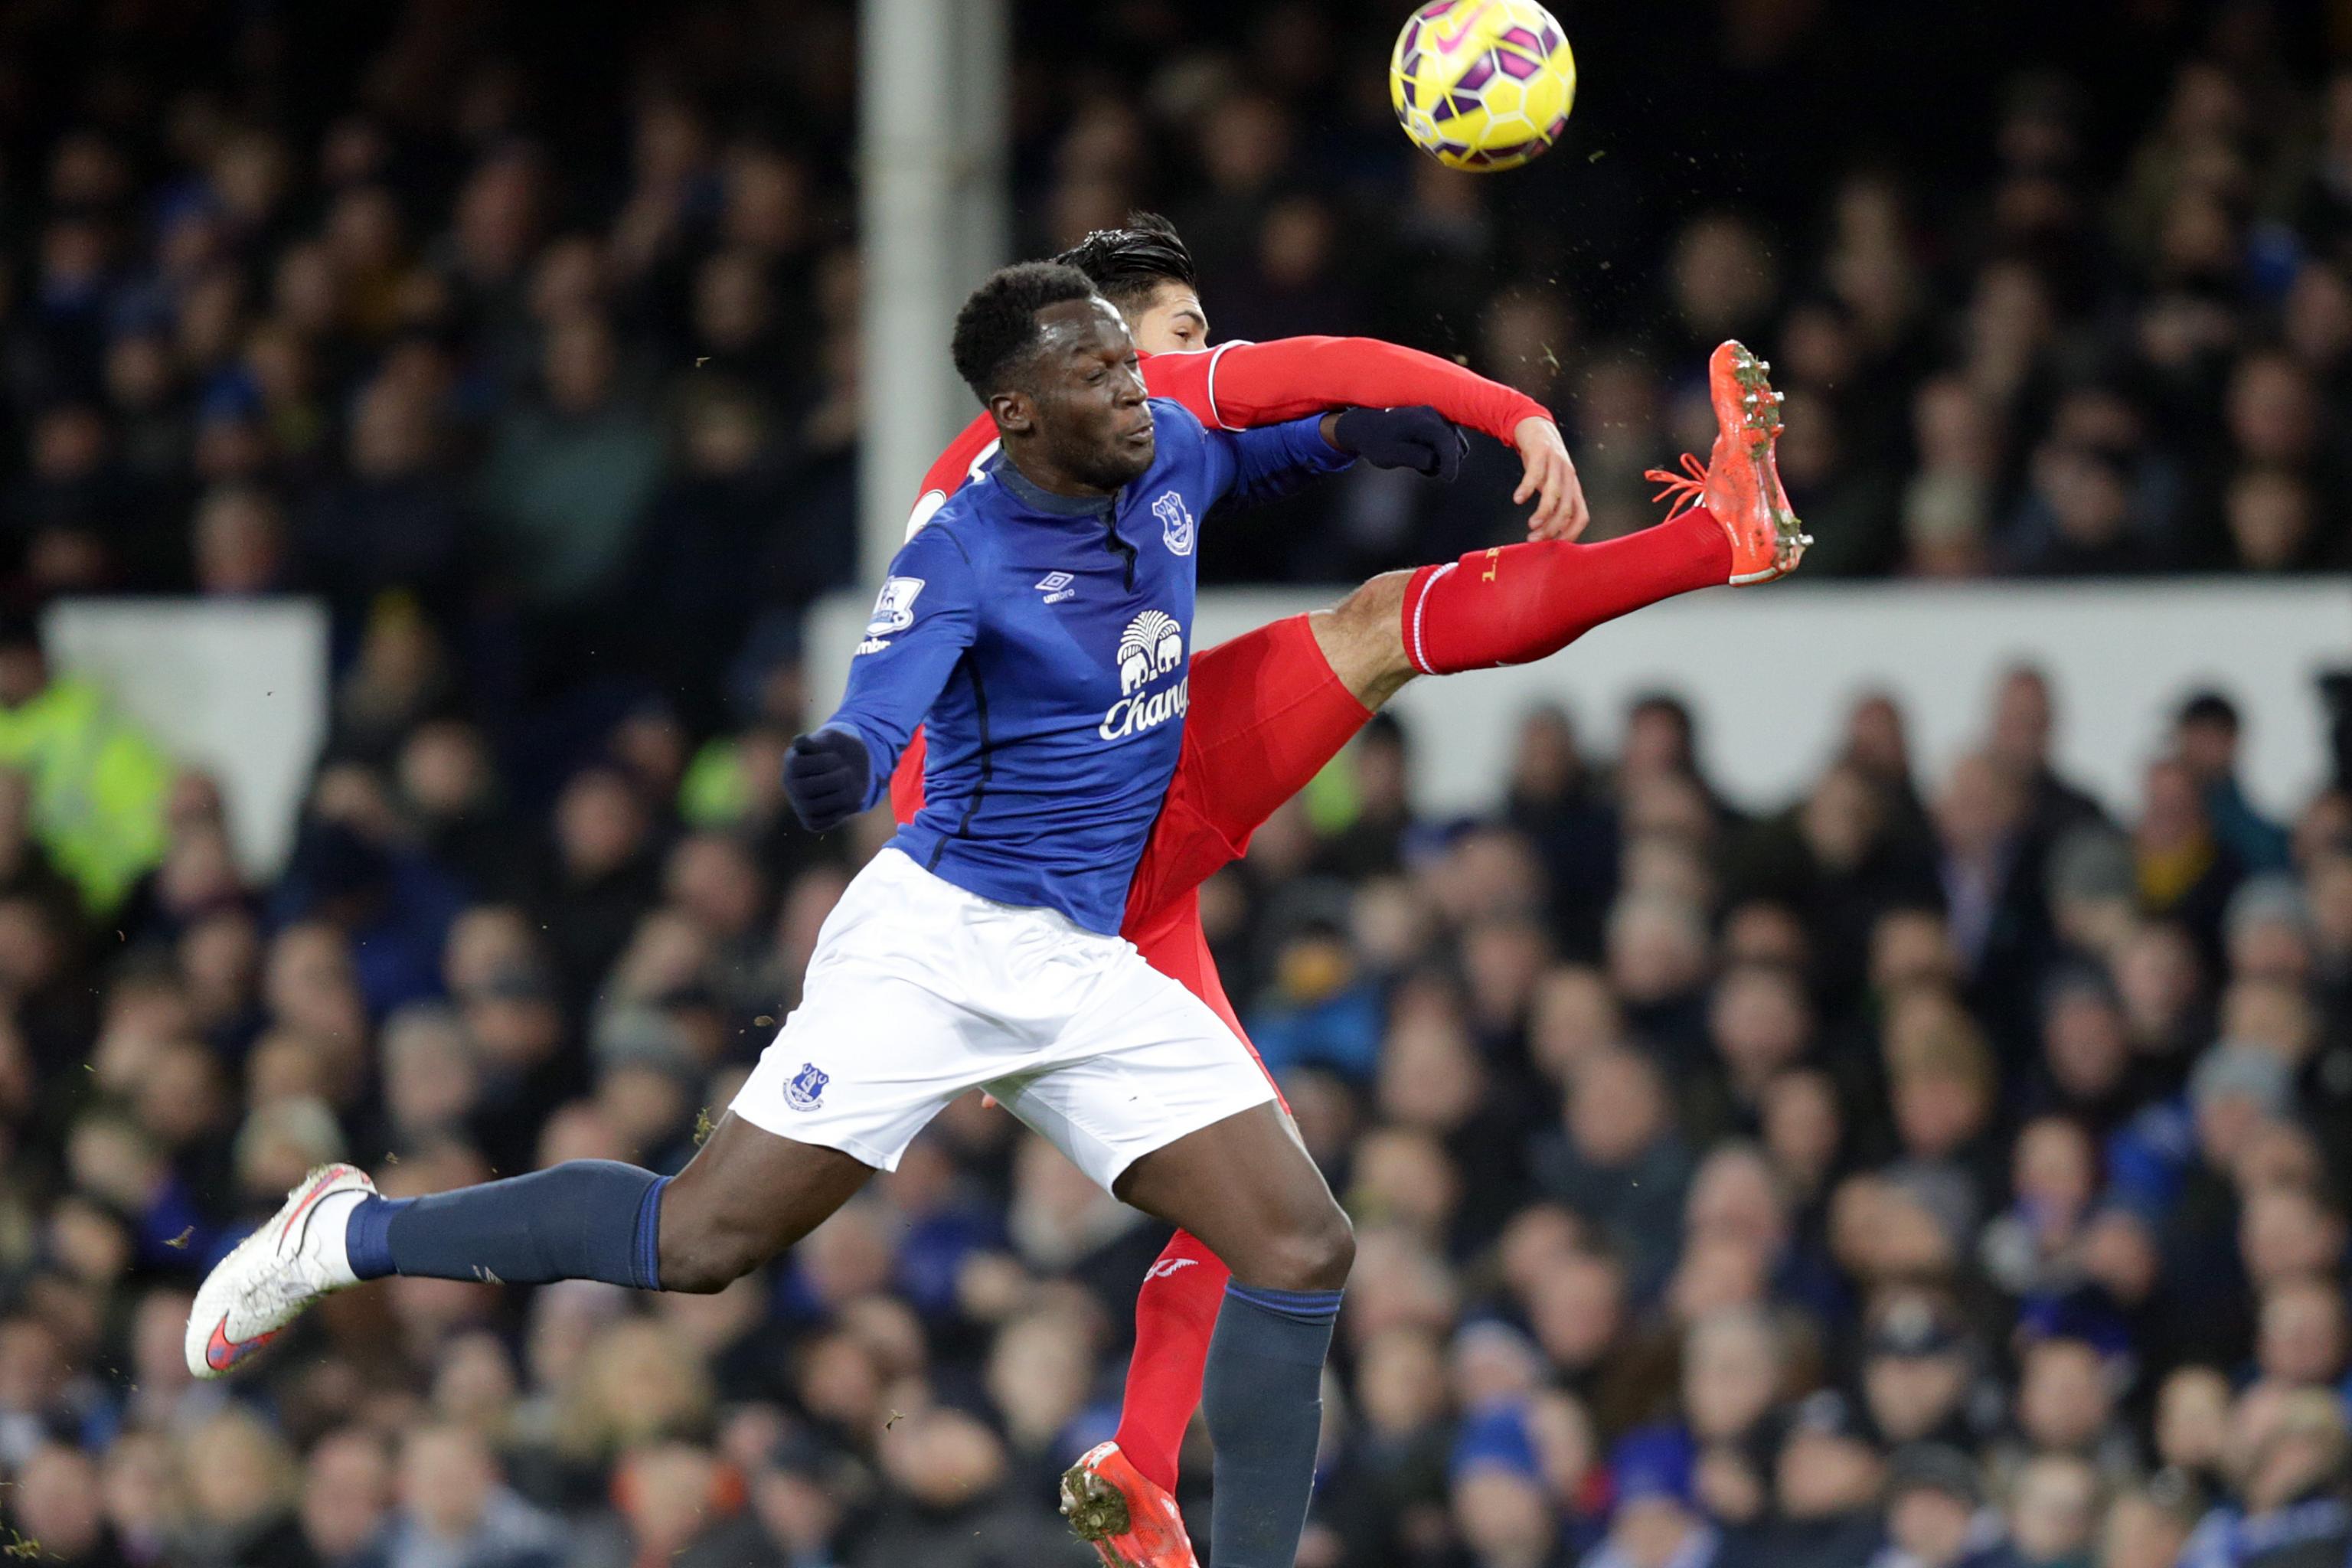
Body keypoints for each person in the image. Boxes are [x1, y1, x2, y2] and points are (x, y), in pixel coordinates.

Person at [183, 260, 1460, 1568]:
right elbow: (886, 682)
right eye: (1096, 376)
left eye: (1129, 368)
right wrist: (850, 753)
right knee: (699, 1241)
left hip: (1086, 960)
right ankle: (343, 1235)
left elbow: (1251, 462)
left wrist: (1350, 438)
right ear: (1018, 413)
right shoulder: (961, 548)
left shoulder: (1164, 448)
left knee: (1301, 1245)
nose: (1135, 392)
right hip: (942, 947)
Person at [890, 215, 1807, 1566]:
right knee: (1383, 626)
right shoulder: (1103, 393)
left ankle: (1140, 1466)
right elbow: (1305, 365)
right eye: (1190, 332)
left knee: (1246, 1194)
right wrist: (1505, 408)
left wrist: (1336, 442)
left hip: (1049, 866)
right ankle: (1716, 540)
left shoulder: (1031, 450)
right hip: (1065, 828)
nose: (1213, 353)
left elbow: (1261, 426)